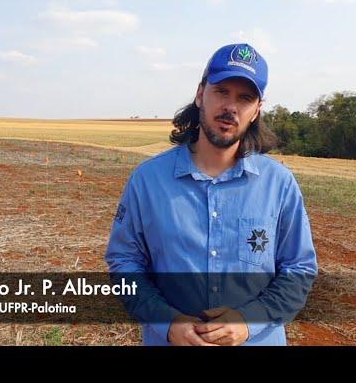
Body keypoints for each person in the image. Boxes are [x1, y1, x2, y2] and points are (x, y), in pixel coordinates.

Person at [105, 43, 317, 346]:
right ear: (200, 93)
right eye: (222, 91)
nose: (231, 106)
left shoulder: (279, 184)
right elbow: (125, 262)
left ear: (256, 110)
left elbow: (299, 268)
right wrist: (166, 322)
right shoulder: (147, 180)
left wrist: (249, 321)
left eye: (245, 98)